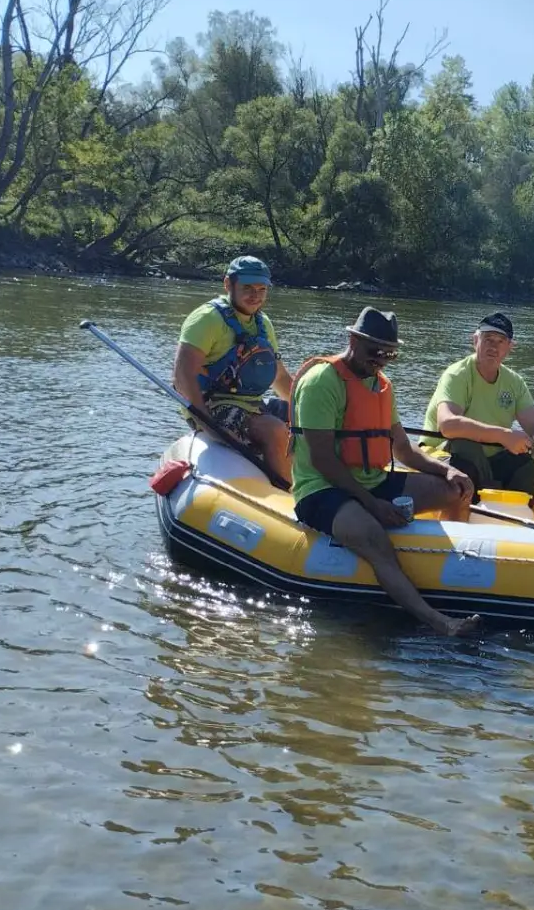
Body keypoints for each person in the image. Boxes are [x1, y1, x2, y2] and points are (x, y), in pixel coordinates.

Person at [289, 306, 479, 637]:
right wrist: (372, 504)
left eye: (388, 353)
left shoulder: (382, 386)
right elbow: (322, 460)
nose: (380, 358)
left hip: (373, 479)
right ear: (352, 339)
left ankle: (451, 576)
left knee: (457, 489)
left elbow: (403, 450)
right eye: (373, 349)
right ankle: (440, 623)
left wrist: (447, 472)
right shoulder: (323, 382)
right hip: (323, 490)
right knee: (375, 539)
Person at [173, 255, 294, 481]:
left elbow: (279, 376)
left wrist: (310, 411)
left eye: (261, 289)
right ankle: (287, 498)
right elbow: (183, 377)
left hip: (250, 405)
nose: (255, 295)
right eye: (247, 287)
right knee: (274, 430)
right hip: (212, 405)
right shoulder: (206, 319)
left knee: (305, 423)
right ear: (228, 284)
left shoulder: (263, 323)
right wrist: (206, 423)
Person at [420, 312, 534, 501]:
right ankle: (478, 501)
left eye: (500, 341)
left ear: (510, 347)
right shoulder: (457, 374)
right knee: (465, 444)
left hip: (489, 462)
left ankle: (515, 507)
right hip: (442, 455)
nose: (493, 346)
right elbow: (448, 425)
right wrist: (503, 435)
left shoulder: (515, 382)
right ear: (475, 340)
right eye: (488, 338)